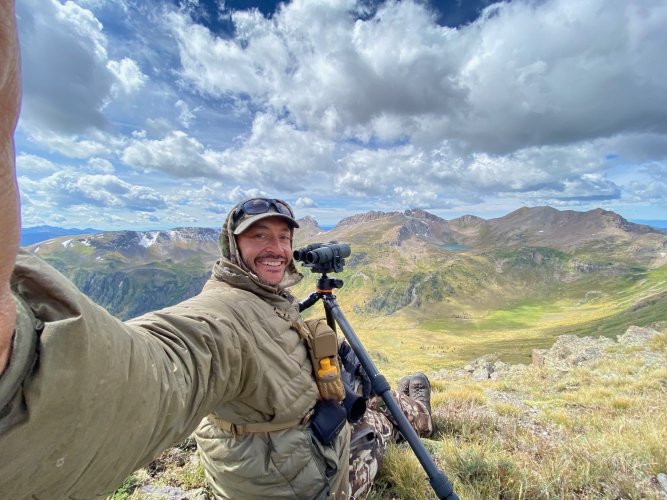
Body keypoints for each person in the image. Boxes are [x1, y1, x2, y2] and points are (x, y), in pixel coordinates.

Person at [0, 2, 433, 497]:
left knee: (340, 356)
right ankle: (411, 408)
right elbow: (167, 363)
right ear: (232, 247)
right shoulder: (222, 317)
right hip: (306, 484)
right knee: (377, 427)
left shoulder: (269, 301)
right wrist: (20, 363)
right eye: (258, 237)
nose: (275, 249)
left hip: (297, 451)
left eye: (283, 237)